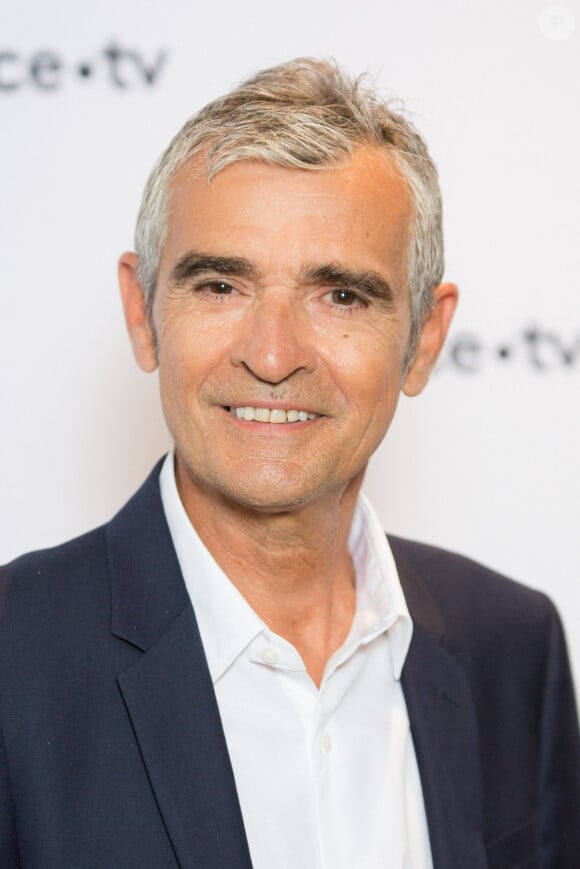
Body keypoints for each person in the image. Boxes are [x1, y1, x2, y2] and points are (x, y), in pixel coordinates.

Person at [0, 58, 578, 869]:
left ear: (424, 339)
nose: (272, 355)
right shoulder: (13, 656)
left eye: (340, 295)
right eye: (219, 285)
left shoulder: (515, 650)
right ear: (143, 314)